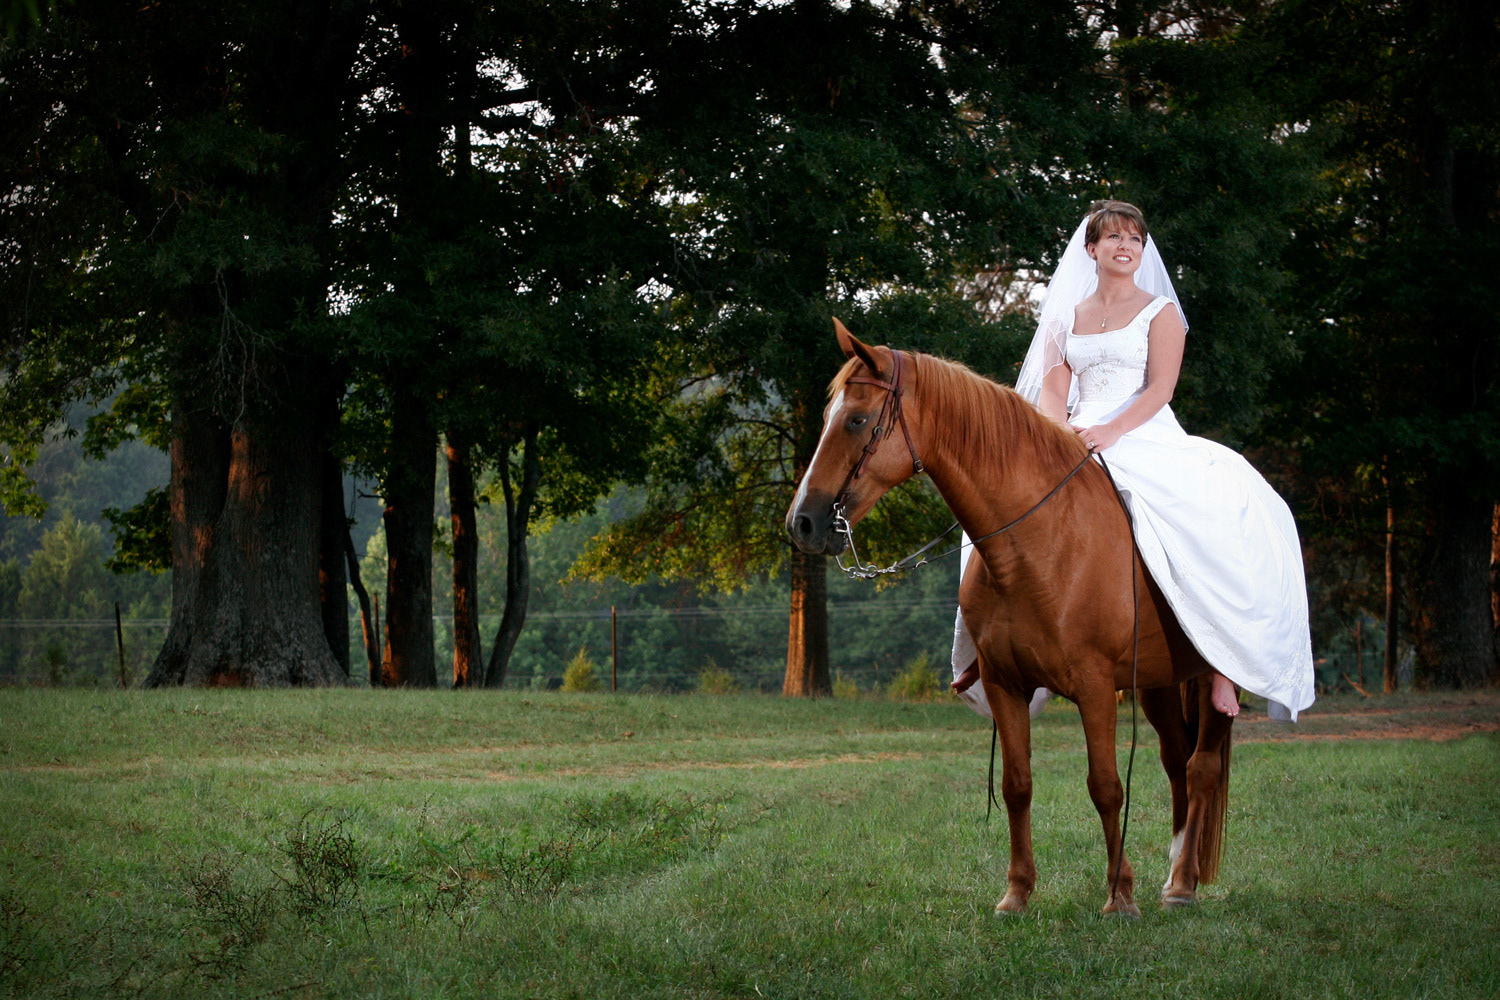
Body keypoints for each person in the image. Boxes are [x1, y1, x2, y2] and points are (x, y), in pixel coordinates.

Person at [949, 200, 1315, 722]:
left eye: (1135, 239)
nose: (1126, 247)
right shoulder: (1063, 318)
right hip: (1072, 434)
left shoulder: (1161, 312)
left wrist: (1109, 431)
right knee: (995, 516)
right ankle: (994, 647)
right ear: (1091, 249)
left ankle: (1222, 664)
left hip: (1139, 429)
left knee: (1207, 509)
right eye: (1115, 238)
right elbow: (1054, 392)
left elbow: (1161, 390)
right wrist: (1061, 436)